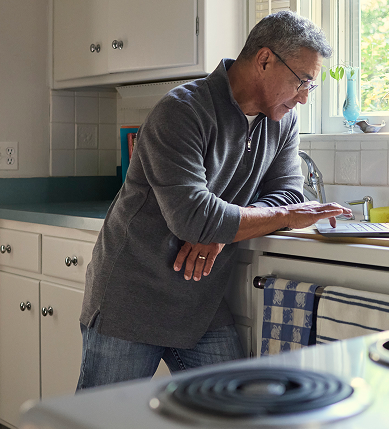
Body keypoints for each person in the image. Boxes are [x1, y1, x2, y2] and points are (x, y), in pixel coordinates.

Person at [76, 10, 351, 391]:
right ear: (265, 59)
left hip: (201, 303)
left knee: (239, 408)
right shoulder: (182, 111)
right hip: (132, 296)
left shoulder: (282, 120)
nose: (304, 97)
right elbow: (194, 217)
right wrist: (281, 216)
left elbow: (288, 191)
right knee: (97, 420)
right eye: (302, 80)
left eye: (311, 86)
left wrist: (222, 230)